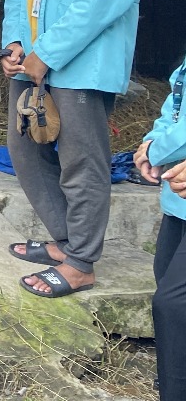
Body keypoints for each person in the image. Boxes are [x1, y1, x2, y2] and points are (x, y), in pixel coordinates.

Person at [2, 0, 153, 299]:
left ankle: (83, 262)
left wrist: (48, 53)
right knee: (26, 150)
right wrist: (16, 43)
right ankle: (67, 241)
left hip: (81, 66)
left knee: (81, 162)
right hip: (35, 60)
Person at [134, 58, 186, 400]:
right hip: (178, 203)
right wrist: (151, 142)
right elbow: (176, 104)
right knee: (164, 274)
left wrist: (158, 150)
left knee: (173, 304)